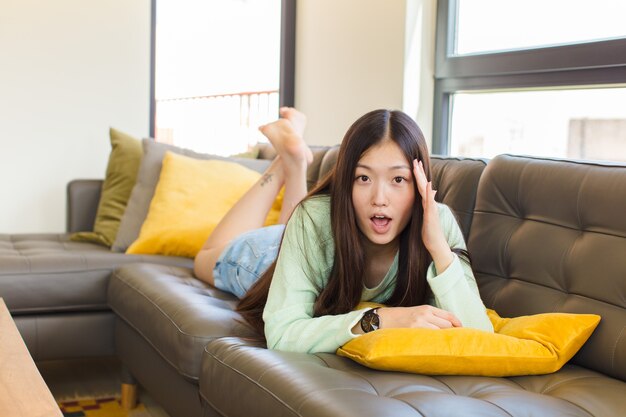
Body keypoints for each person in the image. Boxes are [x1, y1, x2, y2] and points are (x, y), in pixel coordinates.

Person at [194, 107, 494, 354]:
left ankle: (294, 160)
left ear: (419, 184)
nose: (379, 198)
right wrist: (378, 320)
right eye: (363, 178)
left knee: (297, 223)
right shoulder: (314, 218)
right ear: (345, 182)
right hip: (266, 258)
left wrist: (439, 248)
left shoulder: (437, 222)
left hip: (306, 241)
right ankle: (285, 162)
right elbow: (283, 334)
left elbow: (481, 337)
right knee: (203, 259)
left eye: (398, 180)